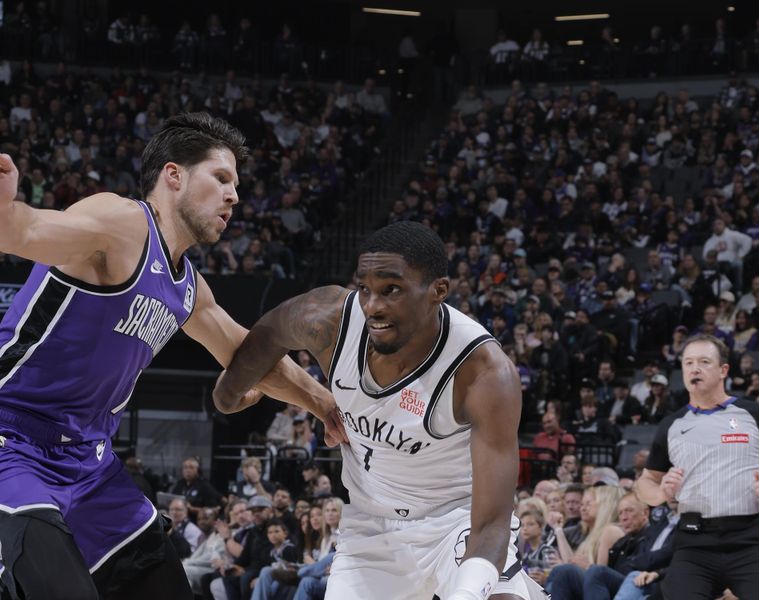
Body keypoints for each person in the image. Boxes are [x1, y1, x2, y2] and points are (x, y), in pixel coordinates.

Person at [0, 113, 344, 600]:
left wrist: (325, 404)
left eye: (237, 185)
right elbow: (27, 230)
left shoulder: (187, 288)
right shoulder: (120, 222)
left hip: (91, 462)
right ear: (173, 174)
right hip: (12, 442)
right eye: (221, 178)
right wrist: (4, 207)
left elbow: (251, 357)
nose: (234, 196)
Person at [215, 221, 547, 599]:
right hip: (370, 527)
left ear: (438, 290)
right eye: (365, 289)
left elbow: (491, 525)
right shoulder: (327, 318)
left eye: (392, 290)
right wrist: (227, 396)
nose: (373, 306)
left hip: (456, 522)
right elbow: (267, 335)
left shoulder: (483, 372)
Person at [635, 334, 759, 600]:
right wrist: (661, 494)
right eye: (688, 363)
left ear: (723, 370)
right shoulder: (672, 425)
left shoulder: (753, 413)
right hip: (693, 544)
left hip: (749, 539)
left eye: (703, 362)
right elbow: (646, 482)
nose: (694, 369)